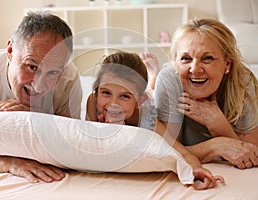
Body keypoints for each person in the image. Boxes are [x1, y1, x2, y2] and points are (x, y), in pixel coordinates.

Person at [0, 11, 82, 183]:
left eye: (53, 72)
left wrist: (35, 115)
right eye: (32, 67)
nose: (39, 85)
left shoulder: (69, 78)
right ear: (10, 50)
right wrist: (6, 163)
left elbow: (71, 148)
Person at [86, 51, 224, 190]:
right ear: (96, 91)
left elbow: (181, 151)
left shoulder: (148, 120)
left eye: (125, 96)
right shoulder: (93, 102)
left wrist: (195, 169)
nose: (113, 103)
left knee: (154, 94)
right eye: (106, 93)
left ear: (139, 101)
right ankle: (152, 79)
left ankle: (155, 78)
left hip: (149, 104)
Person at [154, 18, 258, 170]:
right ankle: (152, 77)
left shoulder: (243, 81)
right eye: (186, 59)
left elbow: (251, 154)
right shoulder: (169, 79)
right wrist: (216, 146)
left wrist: (218, 124)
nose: (195, 69)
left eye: (207, 58)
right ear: (176, 63)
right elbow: (167, 153)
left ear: (226, 64)